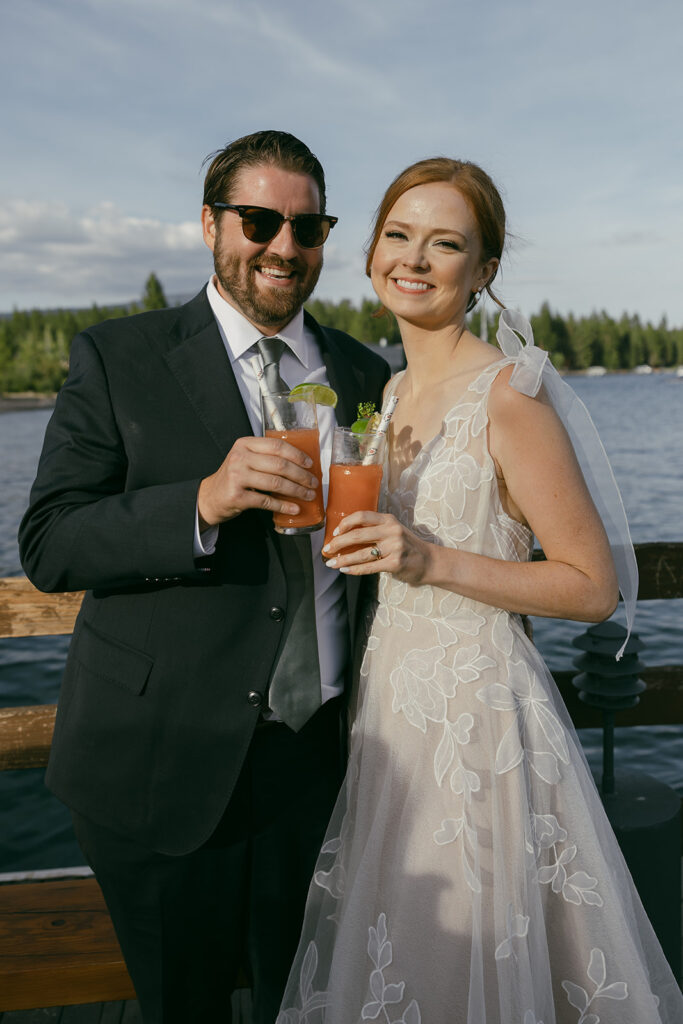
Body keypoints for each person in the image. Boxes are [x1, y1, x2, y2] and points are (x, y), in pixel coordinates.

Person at [277, 159, 683, 1023]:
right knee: (405, 953)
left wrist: (429, 561)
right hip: (392, 705)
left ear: (483, 271)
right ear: (370, 252)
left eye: (445, 242)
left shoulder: (508, 394)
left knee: (476, 954)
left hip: (477, 715)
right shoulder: (385, 396)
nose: (414, 258)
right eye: (398, 234)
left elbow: (589, 587)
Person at [18, 130, 390, 1024]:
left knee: (299, 1005)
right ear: (209, 224)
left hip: (319, 767)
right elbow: (51, 542)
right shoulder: (119, 356)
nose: (284, 247)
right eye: (259, 220)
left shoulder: (365, 373)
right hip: (163, 764)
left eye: (309, 227)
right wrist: (202, 502)